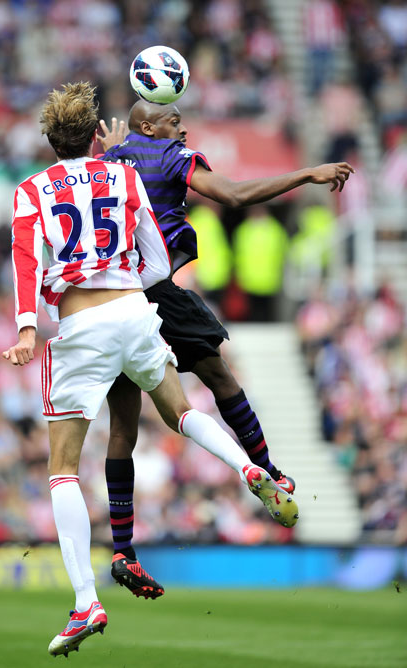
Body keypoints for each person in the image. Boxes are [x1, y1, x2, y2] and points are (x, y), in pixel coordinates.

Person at [2, 82, 298, 657]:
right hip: (136, 310)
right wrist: (129, 294)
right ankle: (249, 470)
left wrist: (25, 328)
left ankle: (87, 600)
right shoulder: (124, 175)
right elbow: (158, 260)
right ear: (96, 136)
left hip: (82, 326)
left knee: (63, 467)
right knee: (182, 410)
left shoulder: (30, 190)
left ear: (47, 141)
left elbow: (23, 259)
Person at [96, 99, 354, 598]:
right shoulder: (171, 157)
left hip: (112, 301)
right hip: (156, 293)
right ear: (150, 126)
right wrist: (307, 175)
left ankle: (123, 550)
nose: (183, 126)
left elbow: (114, 178)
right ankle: (271, 472)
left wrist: (113, 153)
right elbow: (233, 195)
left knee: (123, 428)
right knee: (221, 378)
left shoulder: (111, 160)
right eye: (173, 120)